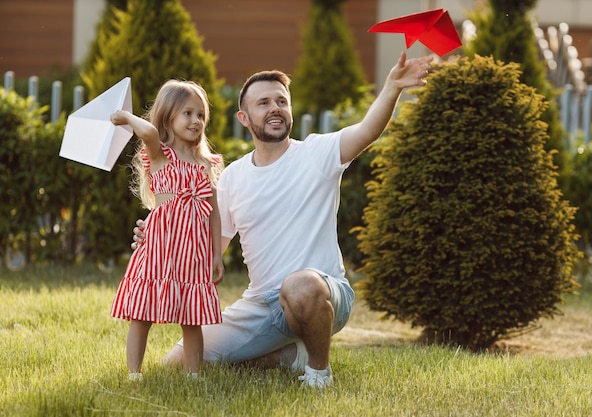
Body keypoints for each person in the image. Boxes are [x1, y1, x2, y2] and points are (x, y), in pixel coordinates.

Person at [132, 52, 433, 388]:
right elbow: (207, 244)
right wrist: (161, 235)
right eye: (263, 103)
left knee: (300, 285)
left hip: (322, 292)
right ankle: (290, 356)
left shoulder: (317, 154)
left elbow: (366, 132)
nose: (274, 108)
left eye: (281, 101)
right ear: (244, 118)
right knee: (178, 364)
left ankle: (318, 372)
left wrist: (392, 86)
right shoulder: (231, 178)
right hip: (261, 305)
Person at [111, 80, 225, 381]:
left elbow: (213, 214)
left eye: (201, 115)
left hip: (193, 251)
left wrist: (217, 256)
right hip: (160, 246)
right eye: (187, 113)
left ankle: (193, 375)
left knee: (192, 318)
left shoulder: (206, 164)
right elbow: (147, 131)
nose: (196, 121)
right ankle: (133, 374)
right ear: (168, 118)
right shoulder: (160, 155)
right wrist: (125, 117)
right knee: (141, 314)